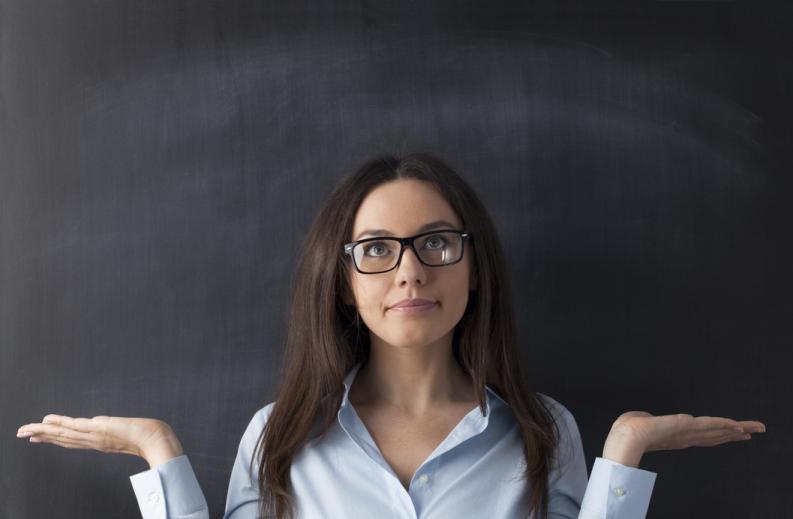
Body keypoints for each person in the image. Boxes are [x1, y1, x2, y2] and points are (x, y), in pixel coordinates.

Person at [17, 153, 766, 519]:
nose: (409, 272)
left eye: (436, 242)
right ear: (343, 280)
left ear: (474, 269)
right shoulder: (276, 437)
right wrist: (160, 452)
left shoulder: (545, 432)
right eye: (376, 249)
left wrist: (624, 452)